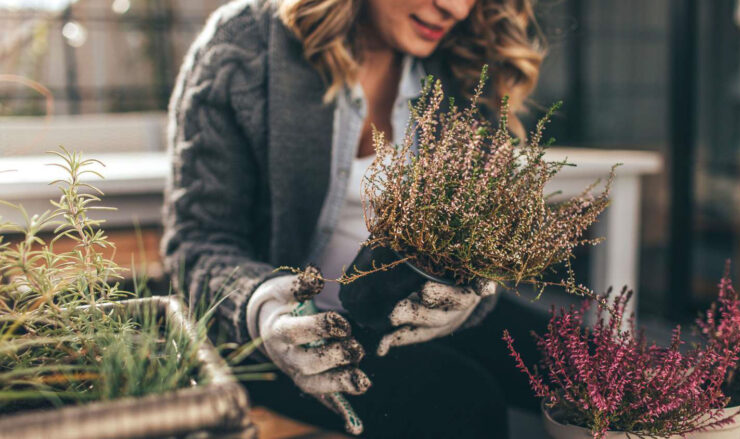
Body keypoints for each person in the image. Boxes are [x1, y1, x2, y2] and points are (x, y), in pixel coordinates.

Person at [162, 0, 547, 437]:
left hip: (414, 311)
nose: (455, 8)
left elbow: (476, 232)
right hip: (277, 333)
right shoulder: (246, 45)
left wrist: (474, 294)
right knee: (458, 402)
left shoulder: (465, 62)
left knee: (596, 367)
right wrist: (266, 311)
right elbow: (197, 242)